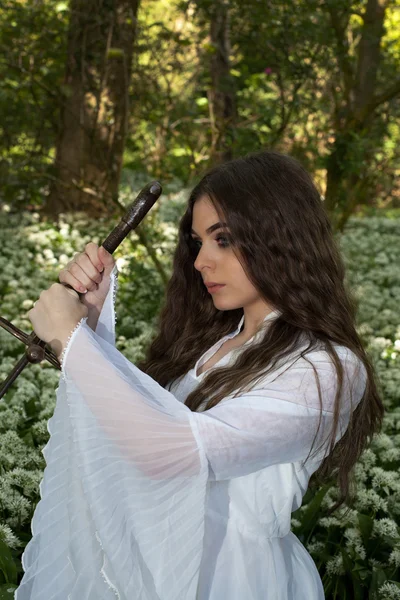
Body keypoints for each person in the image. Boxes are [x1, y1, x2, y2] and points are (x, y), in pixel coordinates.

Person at [17, 150, 383, 599]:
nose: (200, 261)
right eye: (198, 242)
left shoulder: (325, 367)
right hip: (153, 565)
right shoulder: (215, 344)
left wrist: (72, 341)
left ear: (283, 236)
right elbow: (133, 436)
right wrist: (89, 328)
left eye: (223, 239)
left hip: (230, 581)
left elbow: (173, 451)